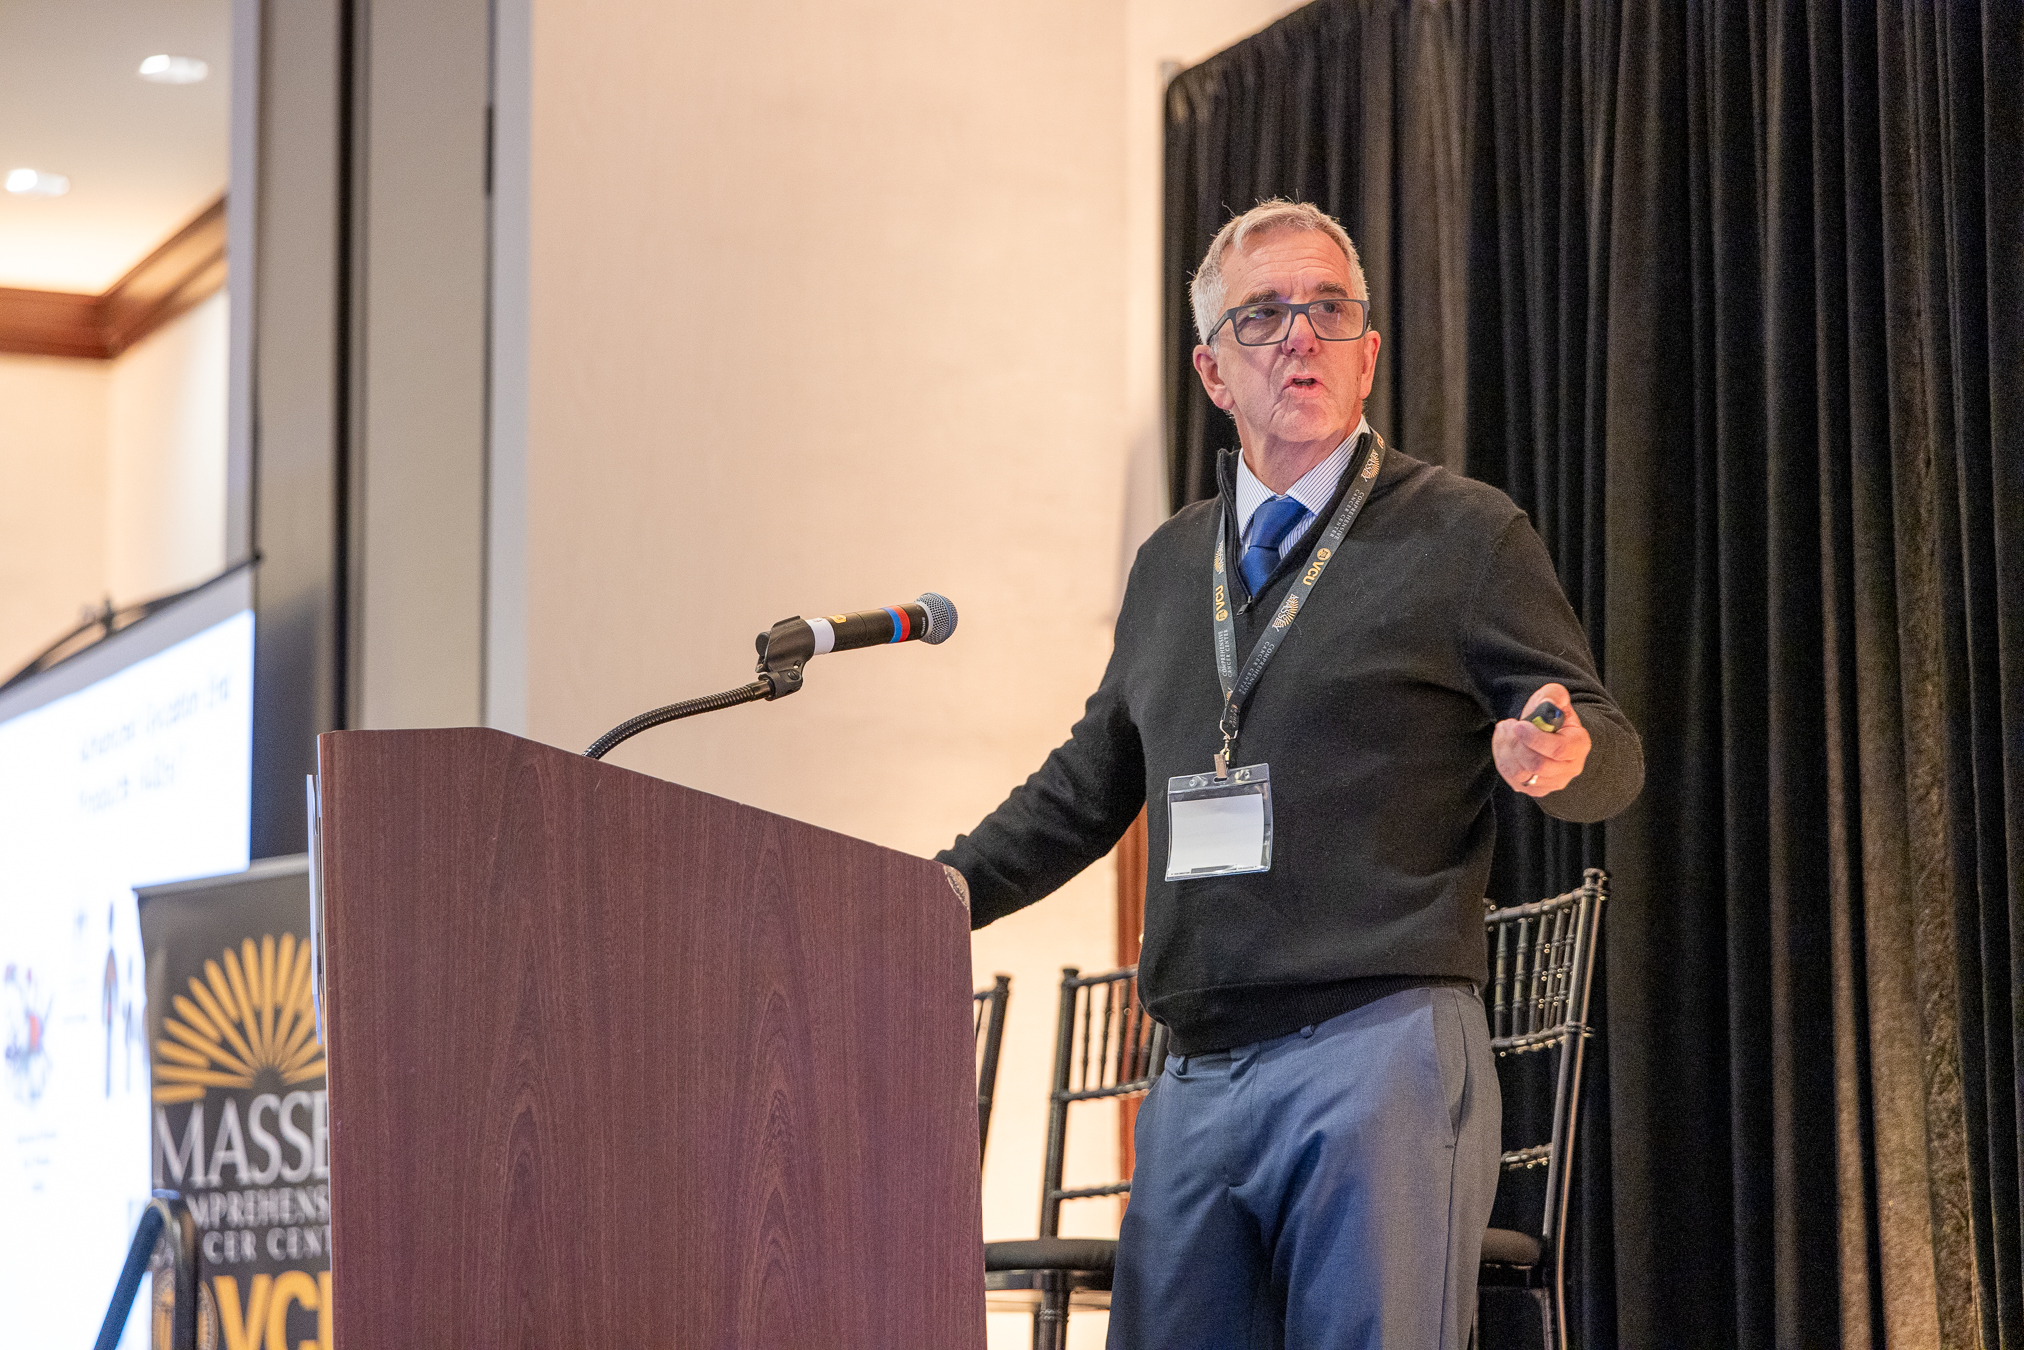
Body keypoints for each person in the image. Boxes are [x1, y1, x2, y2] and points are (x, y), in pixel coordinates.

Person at [939, 198, 1643, 1350]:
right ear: (1215, 373)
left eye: (1329, 309)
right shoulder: (1172, 564)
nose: (1299, 337)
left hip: (1376, 1046)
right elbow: (1083, 787)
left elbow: (1604, 746)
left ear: (1367, 354)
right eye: (1262, 316)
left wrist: (1560, 749)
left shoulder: (1464, 536)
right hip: (1193, 1072)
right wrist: (929, 897)